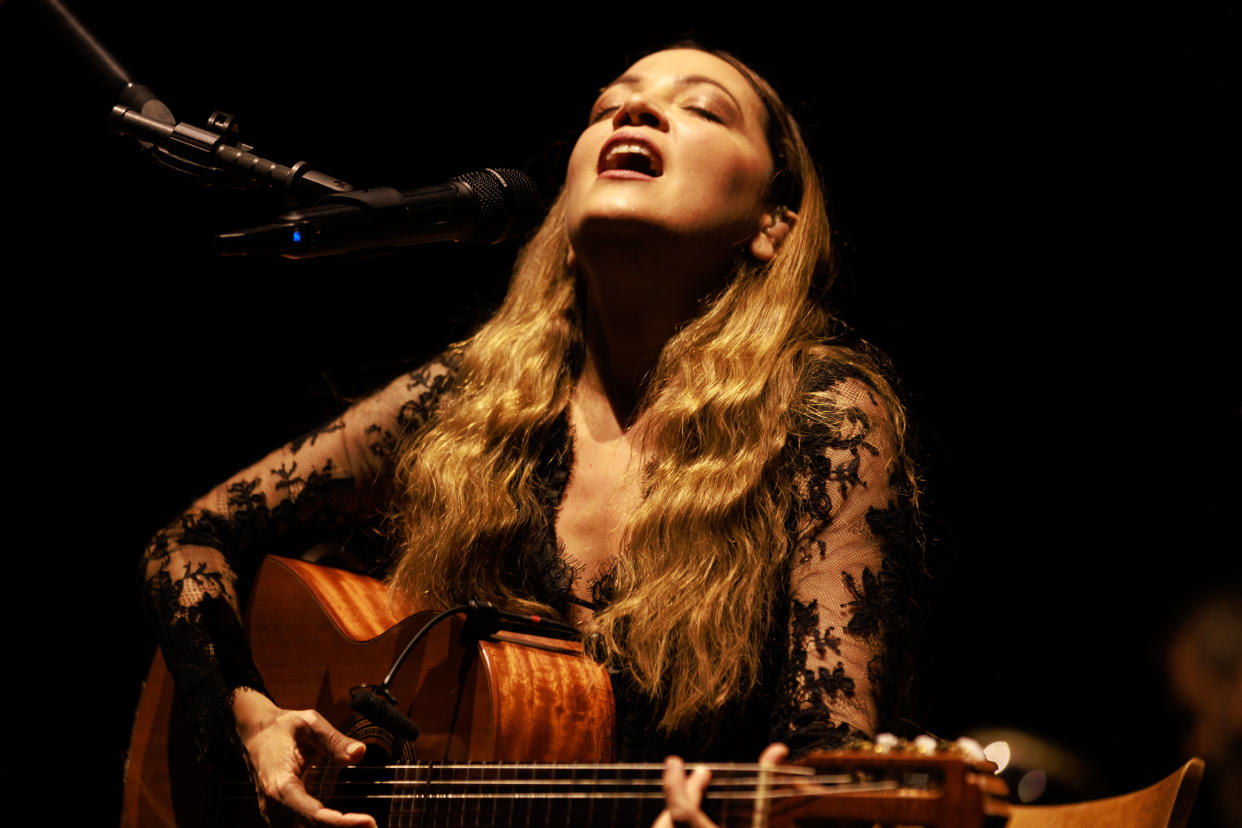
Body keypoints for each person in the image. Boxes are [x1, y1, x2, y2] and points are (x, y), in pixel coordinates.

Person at [140, 46, 923, 827]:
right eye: (608, 104)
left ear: (772, 224)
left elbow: (828, 771)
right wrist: (252, 720)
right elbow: (191, 538)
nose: (634, 112)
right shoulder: (467, 401)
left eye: (701, 108)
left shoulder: (824, 416)